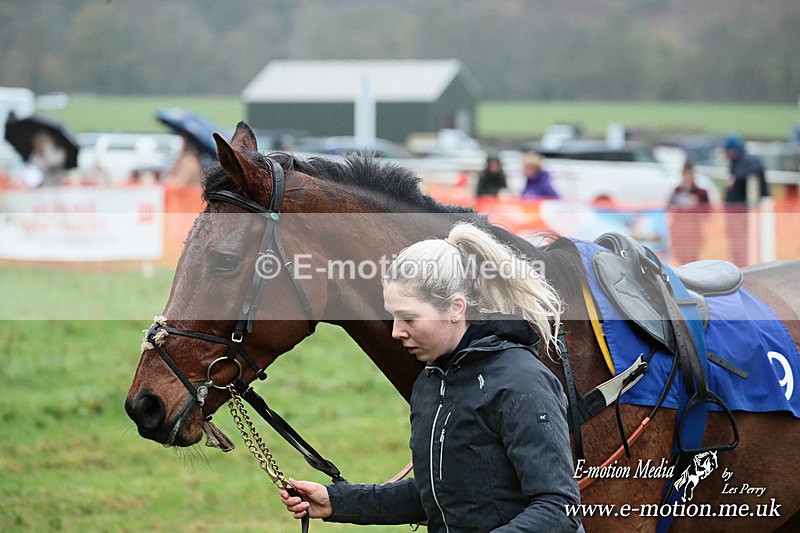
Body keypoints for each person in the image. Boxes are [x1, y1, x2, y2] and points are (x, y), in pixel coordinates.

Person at [280, 222, 582, 532]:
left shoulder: (522, 383)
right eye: (393, 316)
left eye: (409, 317)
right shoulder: (430, 381)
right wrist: (337, 501)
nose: (396, 331)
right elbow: (440, 494)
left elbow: (559, 511)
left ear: (455, 308)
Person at [722, 133, 768, 266]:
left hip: (746, 217)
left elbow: (756, 166)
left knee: (747, 247)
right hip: (735, 216)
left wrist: (736, 177)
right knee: (736, 248)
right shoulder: (734, 164)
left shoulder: (749, 162)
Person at [667, 159, 711, 263]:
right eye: (685, 174)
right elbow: (669, 207)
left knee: (693, 259)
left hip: (694, 232)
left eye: (689, 174)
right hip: (679, 231)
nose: (687, 177)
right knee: (680, 258)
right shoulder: (677, 191)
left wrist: (697, 206)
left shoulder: (701, 193)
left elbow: (708, 213)